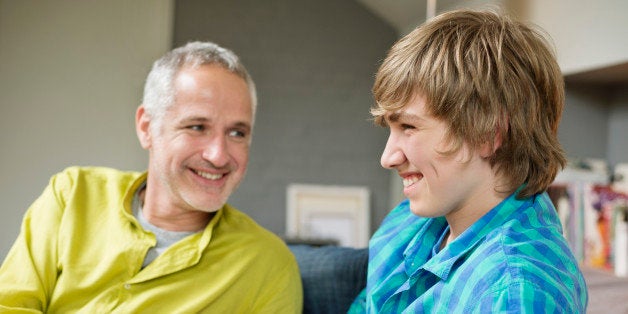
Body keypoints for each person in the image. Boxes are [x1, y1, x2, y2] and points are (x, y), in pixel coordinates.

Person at [0, 42, 302, 313]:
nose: (219, 155)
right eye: (197, 127)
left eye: (237, 133)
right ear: (147, 127)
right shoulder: (72, 194)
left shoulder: (268, 266)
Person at [349, 9, 588, 313]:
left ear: (488, 134)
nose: (387, 158)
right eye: (390, 129)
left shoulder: (515, 293)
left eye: (408, 127)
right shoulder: (410, 220)